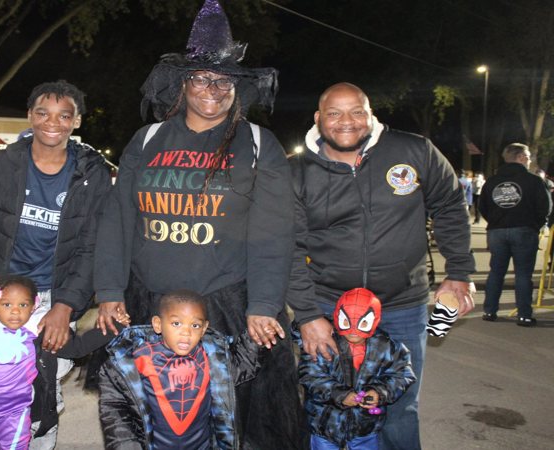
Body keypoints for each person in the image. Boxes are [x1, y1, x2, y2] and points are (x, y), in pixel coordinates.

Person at [93, 1, 305, 448]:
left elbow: (273, 233)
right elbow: (118, 219)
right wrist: (109, 290)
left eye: (224, 80)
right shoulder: (148, 139)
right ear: (183, 83)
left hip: (227, 306)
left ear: (237, 88)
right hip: (148, 305)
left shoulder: (257, 143)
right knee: (153, 417)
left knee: (234, 422)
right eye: (202, 78)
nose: (213, 88)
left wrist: (264, 304)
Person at [287, 82, 476, 450]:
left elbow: (450, 206)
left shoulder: (414, 150)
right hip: (329, 306)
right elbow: (287, 246)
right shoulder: (295, 171)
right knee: (324, 402)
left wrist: (458, 272)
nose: (347, 121)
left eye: (357, 111)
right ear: (318, 118)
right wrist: (308, 315)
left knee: (400, 406)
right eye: (334, 113)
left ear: (371, 114)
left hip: (402, 304)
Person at [0, 80, 113, 448]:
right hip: (0, 296)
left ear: (76, 121)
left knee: (42, 391)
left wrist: (65, 306)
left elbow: (92, 247)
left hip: (52, 299)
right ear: (30, 115)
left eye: (64, 115)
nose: (52, 122)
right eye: (43, 113)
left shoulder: (92, 175)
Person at [0, 275, 123, 449]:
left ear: (34, 306)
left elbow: (78, 347)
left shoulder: (38, 331)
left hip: (14, 412)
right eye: (7, 305)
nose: (15, 311)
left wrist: (115, 325)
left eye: (23, 305)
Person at [99, 289, 260, 449]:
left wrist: (257, 337)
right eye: (176, 323)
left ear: (204, 329)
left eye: (195, 325)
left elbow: (242, 366)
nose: (186, 333)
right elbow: (115, 408)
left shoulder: (213, 357)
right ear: (158, 324)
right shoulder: (132, 361)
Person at [298, 288, 416, 450]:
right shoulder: (323, 345)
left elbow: (402, 374)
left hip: (366, 426)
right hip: (325, 424)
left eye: (363, 323)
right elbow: (310, 375)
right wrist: (339, 394)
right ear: (337, 316)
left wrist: (380, 392)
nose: (353, 330)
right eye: (346, 322)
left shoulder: (387, 347)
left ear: (375, 320)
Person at [478, 143, 551, 326]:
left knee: (496, 272)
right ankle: (524, 315)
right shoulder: (533, 181)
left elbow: (483, 207)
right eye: (528, 157)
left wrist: (496, 222)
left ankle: (489, 311)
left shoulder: (491, 182)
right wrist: (535, 225)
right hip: (524, 229)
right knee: (523, 274)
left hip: (497, 231)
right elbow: (545, 207)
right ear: (521, 157)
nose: (529, 160)